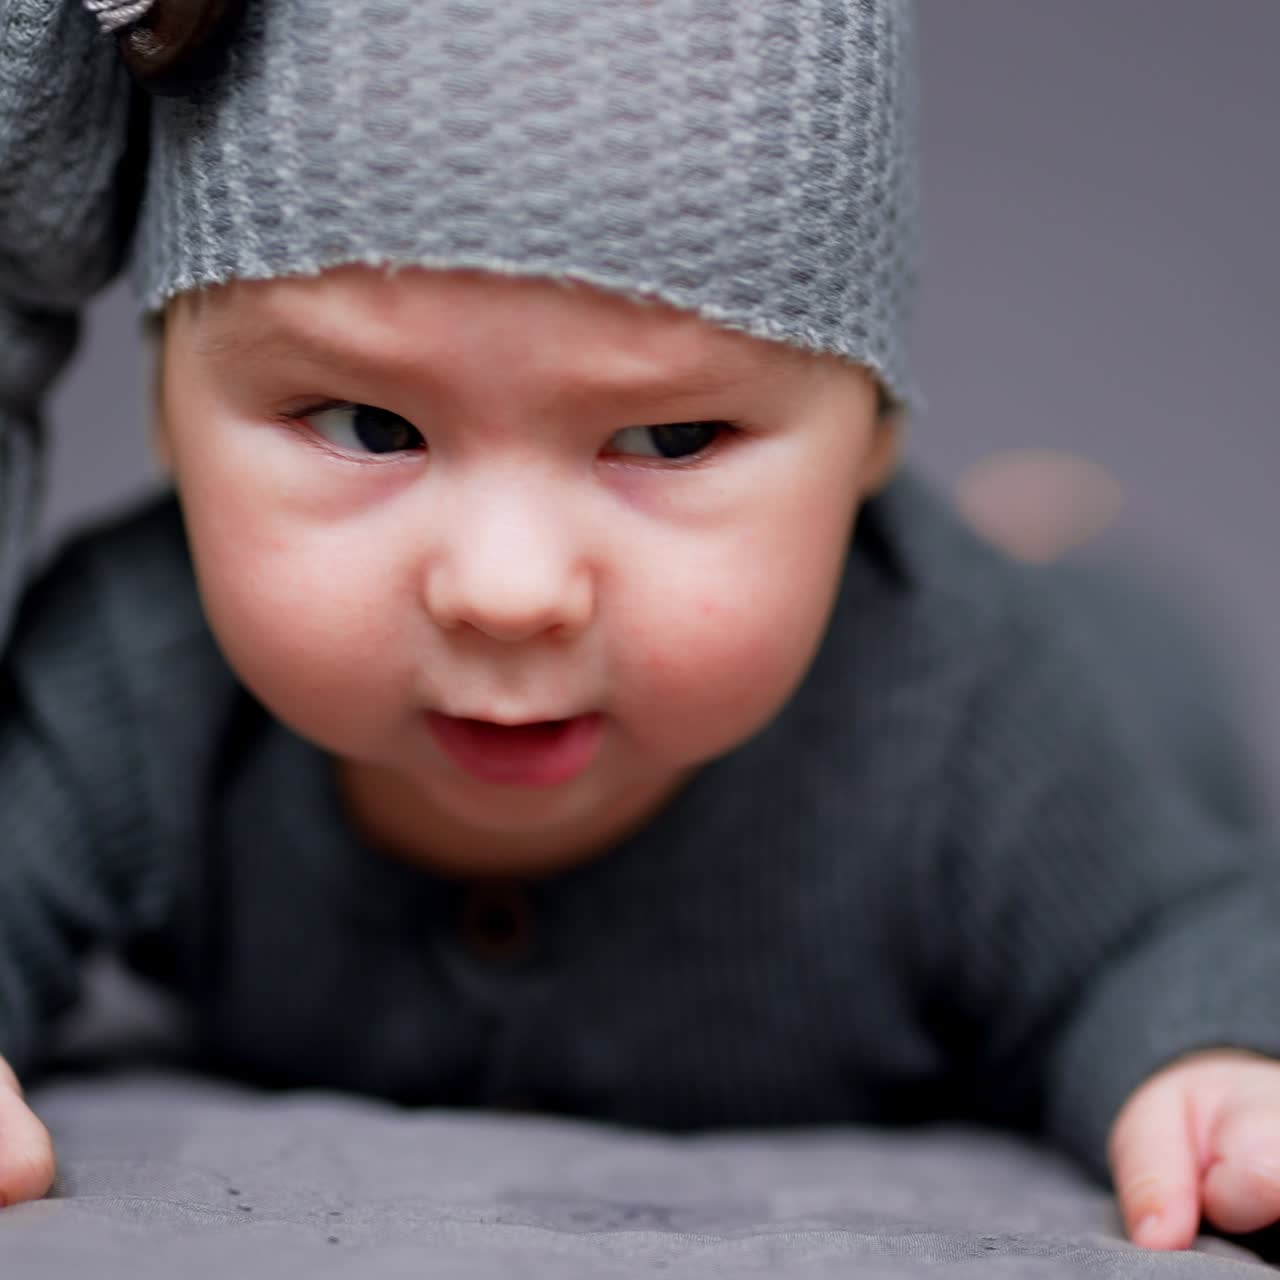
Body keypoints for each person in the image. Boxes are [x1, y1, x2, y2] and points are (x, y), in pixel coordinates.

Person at [1, 0, 1279, 1252]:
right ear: (168, 405)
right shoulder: (137, 667)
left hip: (1099, 655)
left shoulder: (971, 704)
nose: (507, 590)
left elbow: (1163, 930)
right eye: (367, 425)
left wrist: (1210, 1059)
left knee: (1114, 640)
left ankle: (1057, 532)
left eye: (667, 438)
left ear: (873, 436)